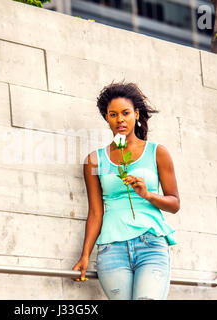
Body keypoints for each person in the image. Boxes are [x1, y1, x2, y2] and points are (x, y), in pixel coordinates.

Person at [72, 81, 180, 300]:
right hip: (112, 249)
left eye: (125, 113)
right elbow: (95, 212)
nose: (119, 119)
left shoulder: (157, 153)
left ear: (136, 114)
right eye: (113, 114)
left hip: (151, 245)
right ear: (106, 118)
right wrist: (84, 255)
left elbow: (175, 204)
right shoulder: (94, 161)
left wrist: (148, 194)